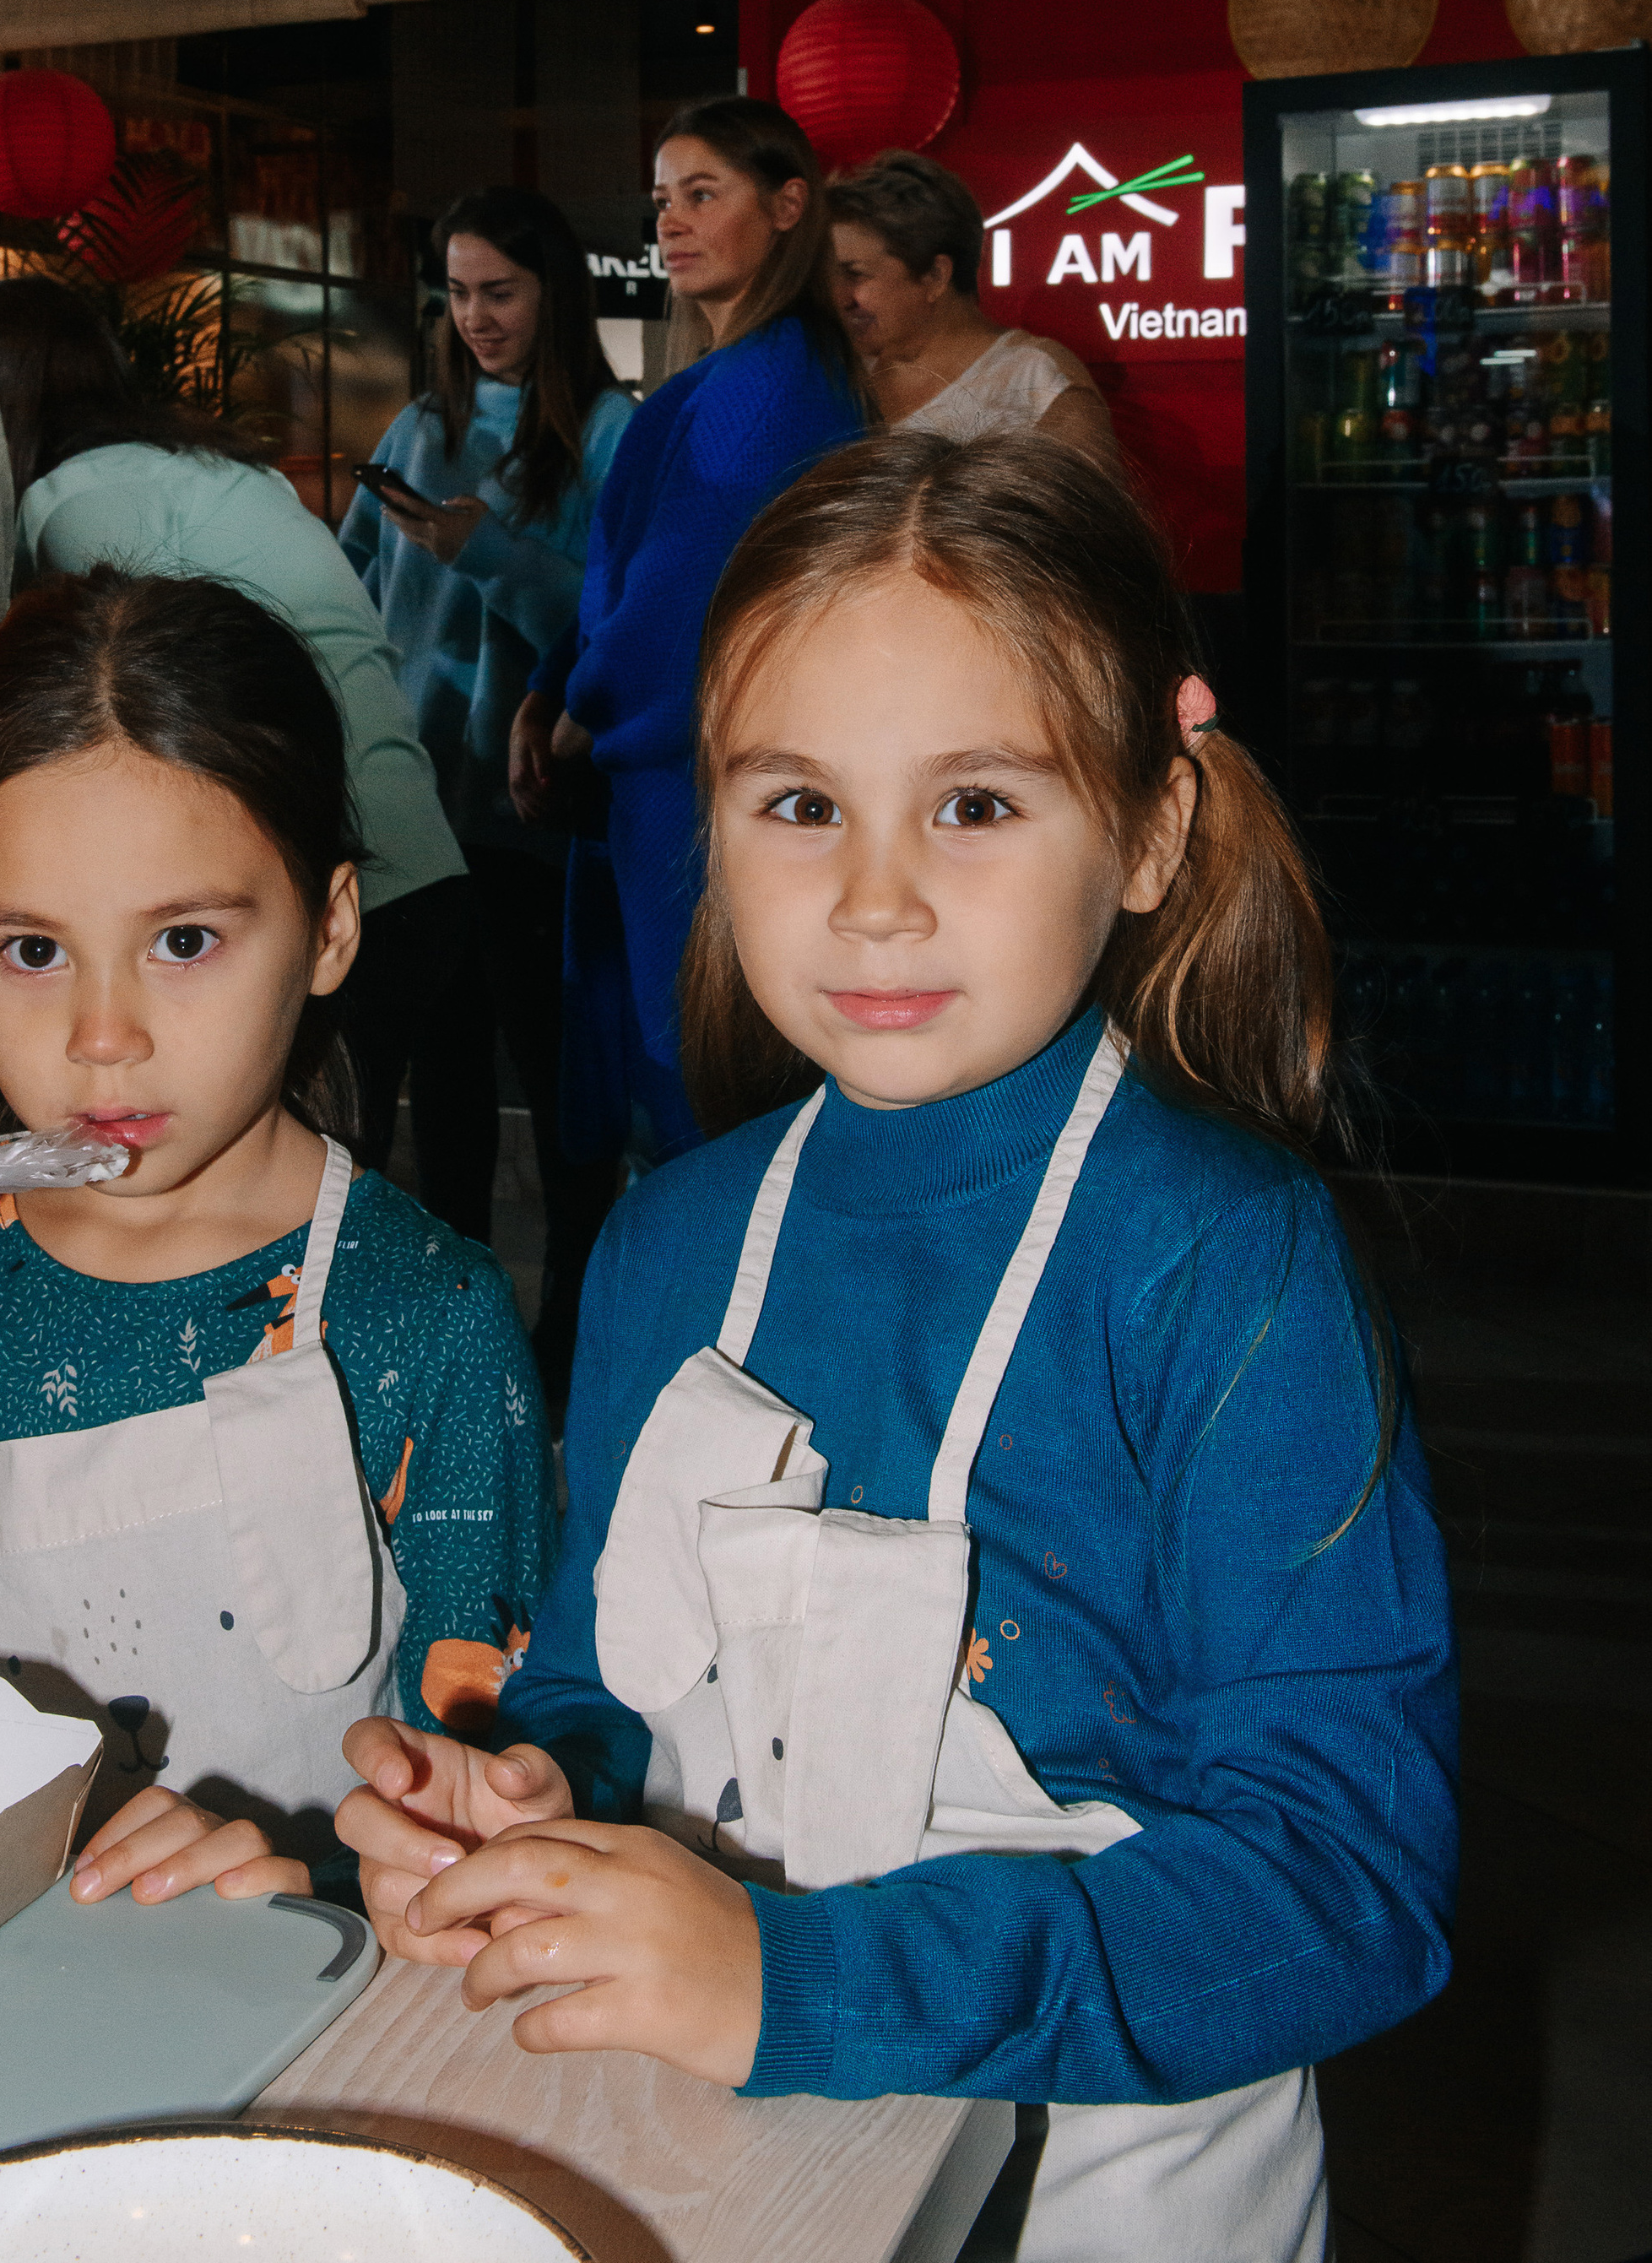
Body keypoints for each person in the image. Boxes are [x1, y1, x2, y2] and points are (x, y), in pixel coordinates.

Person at [335, 435, 1455, 2263]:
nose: (871, 898)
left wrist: (790, 1980)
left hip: (1114, 2184)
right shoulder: (664, 1243)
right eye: (796, 806)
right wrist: (529, 1798)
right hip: (725, 2156)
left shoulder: (1226, 1269)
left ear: (1151, 830)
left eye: (974, 805)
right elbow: (607, 1689)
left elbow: (1342, 1885)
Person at [0, 569, 555, 1904]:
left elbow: (492, 1843)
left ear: (328, 929)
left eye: (185, 939)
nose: (102, 1036)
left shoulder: (421, 1321)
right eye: (31, 952)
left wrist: (305, 1888)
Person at [0, 278, 466, 1181]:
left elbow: (96, 721)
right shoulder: (214, 470)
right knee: (372, 1193)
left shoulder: (68, 506)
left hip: (299, 863)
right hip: (418, 848)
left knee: (302, 1203)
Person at [512, 100, 860, 1164]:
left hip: (697, 795)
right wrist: (550, 683)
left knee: (700, 1098)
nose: (670, 221)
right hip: (666, 790)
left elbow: (687, 605)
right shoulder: (733, 371)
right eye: (663, 200)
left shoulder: (773, 380)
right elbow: (631, 580)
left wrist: (575, 716)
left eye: (702, 194)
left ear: (788, 204)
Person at [341, 192, 631, 1386]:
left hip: (532, 812)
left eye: (499, 292)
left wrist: (486, 552)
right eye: (457, 294)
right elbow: (350, 588)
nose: (476, 318)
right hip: (413, 805)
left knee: (556, 1085)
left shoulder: (611, 433)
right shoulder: (421, 422)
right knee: (438, 1090)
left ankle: (572, 1335)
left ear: (554, 294)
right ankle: (457, 1337)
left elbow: (613, 626)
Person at [828, 150, 1123, 474]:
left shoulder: (1037, 383)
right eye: (829, 277)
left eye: (854, 274)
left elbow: (1083, 522)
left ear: (936, 276)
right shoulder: (838, 379)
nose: (839, 297)